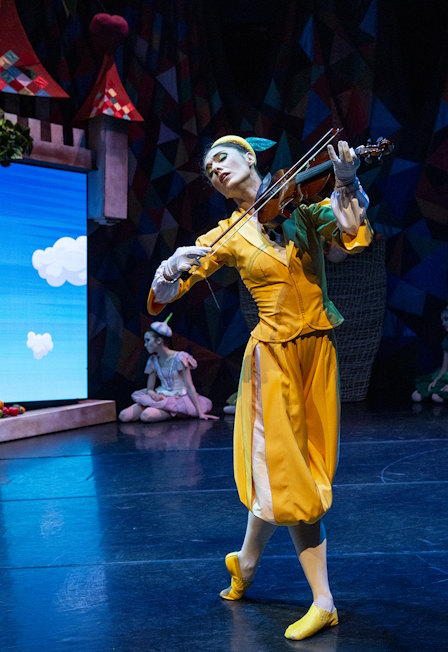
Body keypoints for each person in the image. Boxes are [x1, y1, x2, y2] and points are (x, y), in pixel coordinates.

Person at [147, 135, 372, 640]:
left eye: (221, 158)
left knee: (304, 470)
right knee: (294, 478)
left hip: (319, 351)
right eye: (209, 169)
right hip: (271, 358)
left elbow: (351, 237)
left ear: (250, 157)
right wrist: (170, 268)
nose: (215, 170)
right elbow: (164, 297)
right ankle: (324, 601)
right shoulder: (226, 235)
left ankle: (245, 563)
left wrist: (346, 181)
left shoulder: (302, 205)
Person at [118, 319, 218, 423]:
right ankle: (158, 407)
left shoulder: (179, 358)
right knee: (123, 416)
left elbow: (189, 386)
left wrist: (200, 413)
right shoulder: (153, 360)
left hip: (179, 398)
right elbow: (149, 389)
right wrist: (153, 395)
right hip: (161, 396)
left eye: (148, 340)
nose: (145, 344)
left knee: (146, 416)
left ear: (158, 341)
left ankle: (172, 411)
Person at [411, 307, 448, 404]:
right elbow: (444, 368)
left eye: (446, 319)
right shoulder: (446, 341)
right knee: (416, 396)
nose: (443, 323)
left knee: (436, 397)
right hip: (446, 376)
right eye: (442, 320)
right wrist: (436, 380)